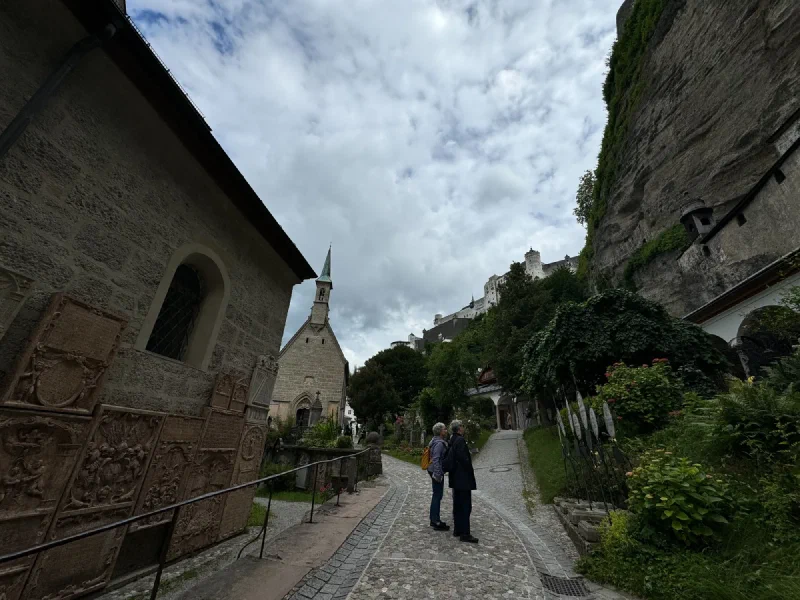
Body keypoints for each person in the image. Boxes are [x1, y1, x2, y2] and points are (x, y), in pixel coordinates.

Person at [444, 420, 478, 543]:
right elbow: (464, 459)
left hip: (454, 477)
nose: (463, 428)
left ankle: (457, 529)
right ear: (459, 429)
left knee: (457, 504)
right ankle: (465, 533)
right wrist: (470, 469)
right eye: (462, 426)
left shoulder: (452, 439)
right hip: (463, 477)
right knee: (465, 505)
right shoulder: (460, 440)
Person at [427, 422, 449, 531]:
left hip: (433, 470)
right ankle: (435, 520)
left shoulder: (434, 440)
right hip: (436, 471)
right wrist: (437, 474)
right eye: (444, 429)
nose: (446, 430)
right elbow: (436, 459)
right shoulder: (439, 443)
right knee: (437, 495)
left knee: (437, 495)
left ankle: (434, 519)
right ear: (440, 431)